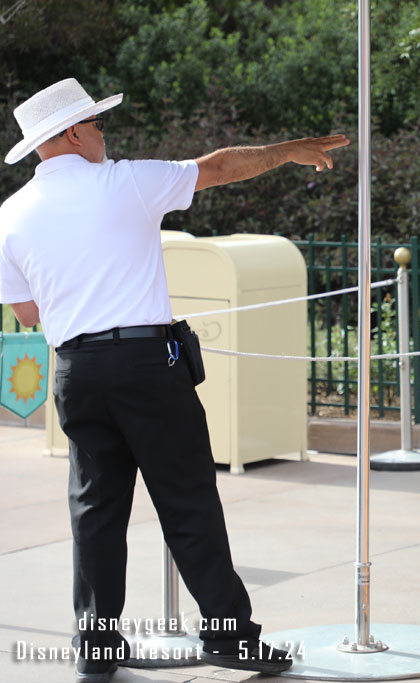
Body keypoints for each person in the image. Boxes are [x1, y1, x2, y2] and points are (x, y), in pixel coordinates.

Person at [0, 78, 349, 683]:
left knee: (95, 514)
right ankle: (230, 638)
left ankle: (97, 650)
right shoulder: (125, 183)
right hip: (144, 365)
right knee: (187, 501)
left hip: (75, 373)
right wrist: (285, 150)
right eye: (98, 125)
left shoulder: (10, 213)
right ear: (73, 132)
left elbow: (26, 314)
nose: (105, 135)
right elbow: (216, 168)